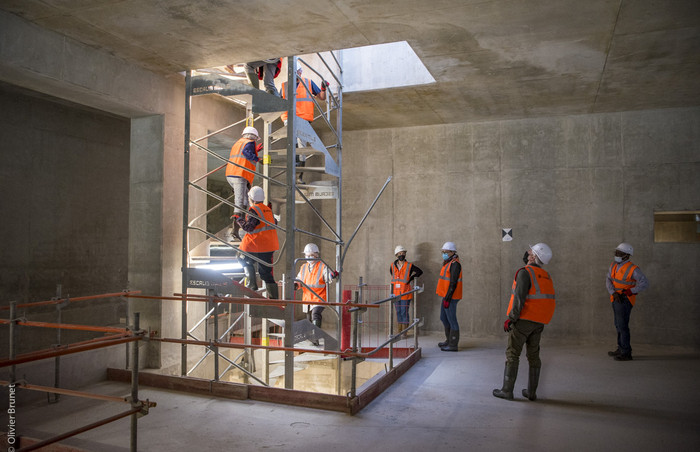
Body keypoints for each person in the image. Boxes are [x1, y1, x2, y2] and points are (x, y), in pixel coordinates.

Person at [493, 243, 555, 401]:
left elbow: (519, 299)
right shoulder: (545, 276)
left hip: (523, 321)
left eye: (530, 251)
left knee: (513, 354)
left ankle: (507, 390)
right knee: (534, 356)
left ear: (533, 256)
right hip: (538, 322)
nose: (527, 252)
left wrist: (511, 319)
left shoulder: (525, 273)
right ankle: (532, 392)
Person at [280, 61, 329, 183]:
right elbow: (278, 102)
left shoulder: (308, 83)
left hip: (303, 119)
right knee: (294, 146)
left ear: (301, 72)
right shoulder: (284, 86)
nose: (296, 74)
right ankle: (294, 176)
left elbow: (322, 97)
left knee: (301, 149)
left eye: (298, 72)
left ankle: (298, 177)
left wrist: (323, 88)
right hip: (289, 119)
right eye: (294, 72)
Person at [606, 242, 649, 361]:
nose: (616, 254)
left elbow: (645, 283)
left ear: (627, 255)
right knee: (618, 324)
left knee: (622, 326)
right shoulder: (614, 265)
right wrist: (613, 292)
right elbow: (608, 280)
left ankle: (626, 353)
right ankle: (621, 348)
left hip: (624, 300)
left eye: (619, 253)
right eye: (616, 252)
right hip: (615, 298)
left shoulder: (633, 269)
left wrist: (630, 291)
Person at [237, 186, 279, 299]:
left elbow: (249, 227)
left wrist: (238, 219)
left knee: (241, 258)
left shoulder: (254, 210)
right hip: (269, 246)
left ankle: (252, 284)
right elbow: (274, 222)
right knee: (265, 273)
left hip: (257, 244)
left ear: (251, 199)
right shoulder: (268, 210)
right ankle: (274, 300)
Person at [226, 126, 263, 240]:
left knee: (246, 199)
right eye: (256, 138)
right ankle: (235, 230)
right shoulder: (250, 142)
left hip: (231, 174)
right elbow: (246, 152)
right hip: (239, 175)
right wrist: (256, 158)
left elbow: (242, 154)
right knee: (240, 202)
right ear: (253, 136)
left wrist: (255, 151)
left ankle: (242, 225)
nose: (255, 140)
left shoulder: (238, 142)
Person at [295, 243, 338, 334]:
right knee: (308, 319)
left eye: (312, 255)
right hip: (307, 298)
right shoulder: (303, 267)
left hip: (319, 297)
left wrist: (331, 275)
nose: (309, 257)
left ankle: (316, 335)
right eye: (307, 255)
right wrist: (296, 284)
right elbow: (299, 279)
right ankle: (311, 336)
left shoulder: (322, 266)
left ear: (317, 255)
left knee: (316, 314)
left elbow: (328, 275)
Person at [389, 245, 423, 334]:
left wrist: (411, 278)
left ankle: (404, 332)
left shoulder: (409, 265)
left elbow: (420, 272)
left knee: (404, 312)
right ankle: (399, 330)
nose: (401, 255)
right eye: (399, 253)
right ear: (396, 255)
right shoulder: (392, 266)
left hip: (405, 293)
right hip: (395, 294)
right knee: (398, 312)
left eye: (403, 253)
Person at [436, 242, 462, 352]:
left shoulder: (455, 264)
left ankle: (453, 345)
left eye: (445, 252)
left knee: (452, 320)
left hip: (451, 297)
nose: (444, 254)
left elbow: (453, 283)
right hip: (446, 296)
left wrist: (448, 297)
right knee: (444, 318)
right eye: (443, 252)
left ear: (452, 252)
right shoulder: (449, 263)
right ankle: (449, 340)